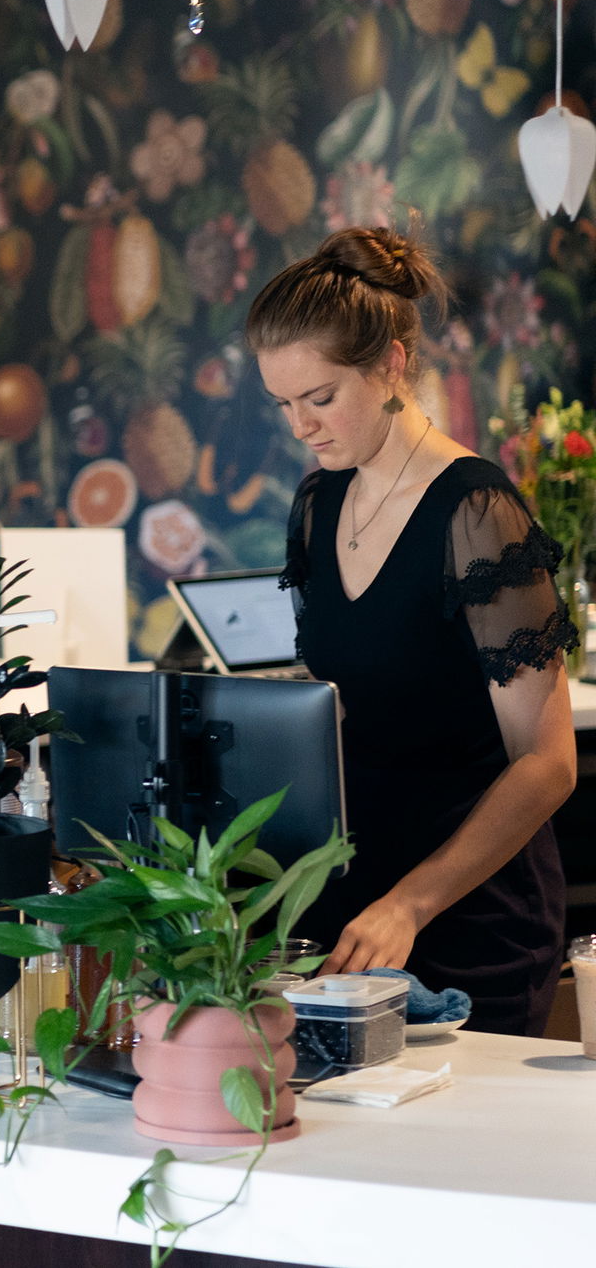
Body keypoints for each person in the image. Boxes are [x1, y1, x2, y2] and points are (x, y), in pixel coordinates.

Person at [248, 226, 578, 1037]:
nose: (302, 426)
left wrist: (411, 902)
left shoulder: (475, 510)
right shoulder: (320, 505)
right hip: (352, 919)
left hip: (469, 918)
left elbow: (549, 763)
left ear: (392, 363)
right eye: (283, 404)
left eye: (319, 398)